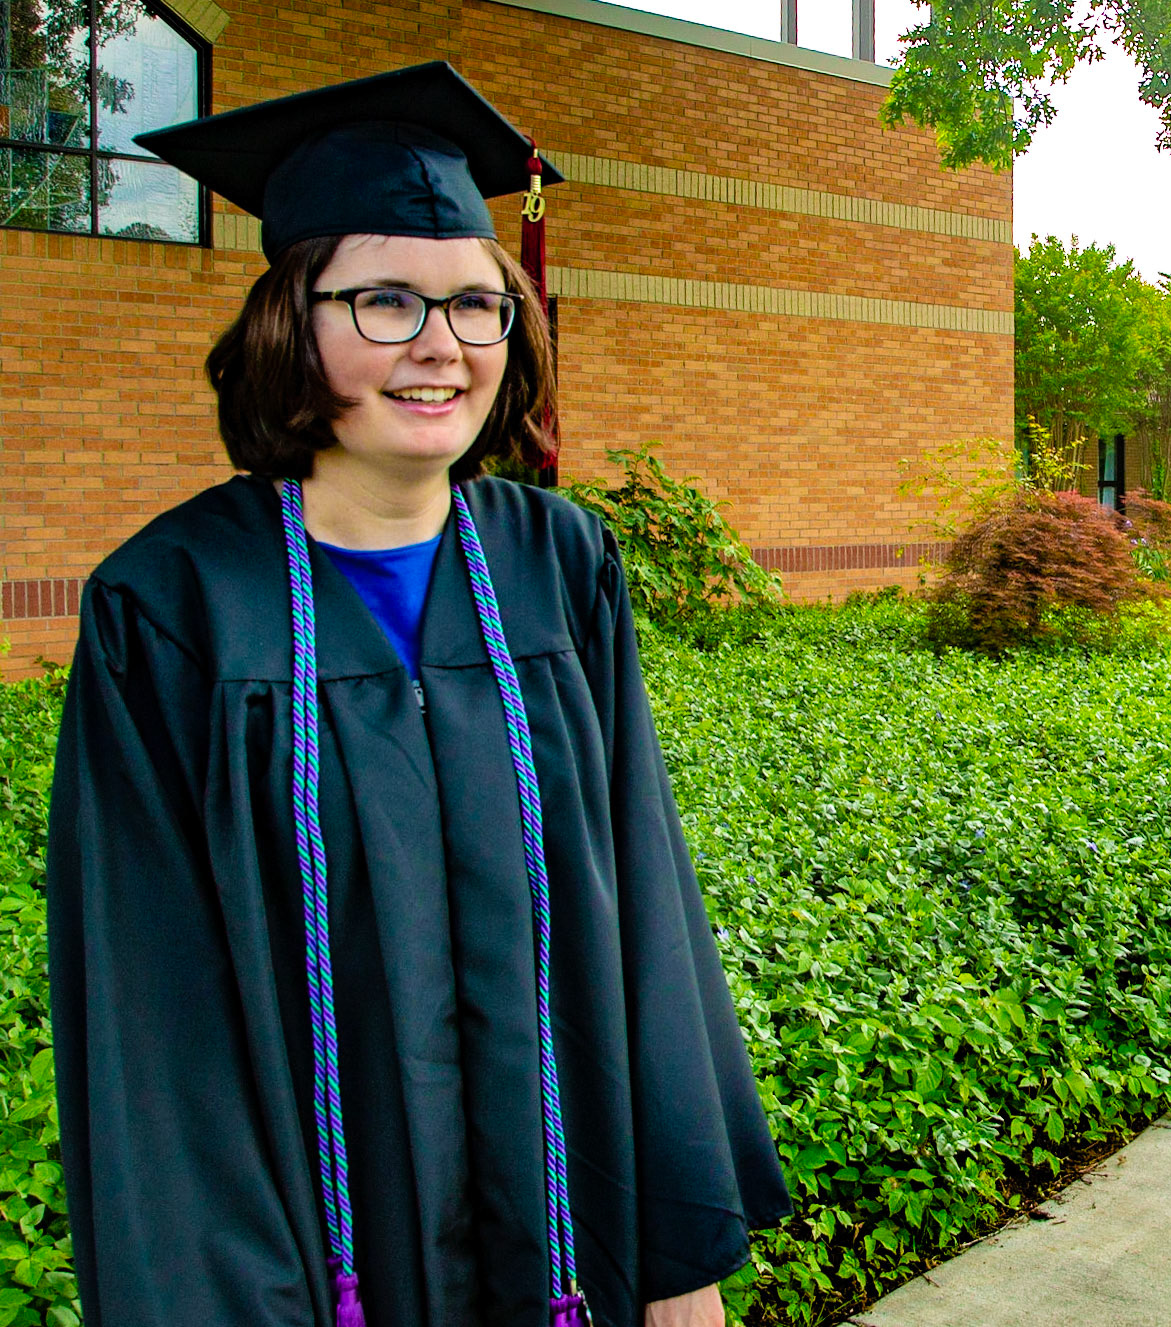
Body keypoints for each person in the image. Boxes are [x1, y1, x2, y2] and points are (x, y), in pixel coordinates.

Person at [46, 63, 789, 1327]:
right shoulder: (167, 610)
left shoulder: (559, 562)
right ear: (290, 319)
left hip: (569, 1238)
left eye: (473, 304)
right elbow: (152, 1023)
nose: (440, 345)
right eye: (384, 301)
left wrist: (677, 1265)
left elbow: (643, 910)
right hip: (321, 1263)